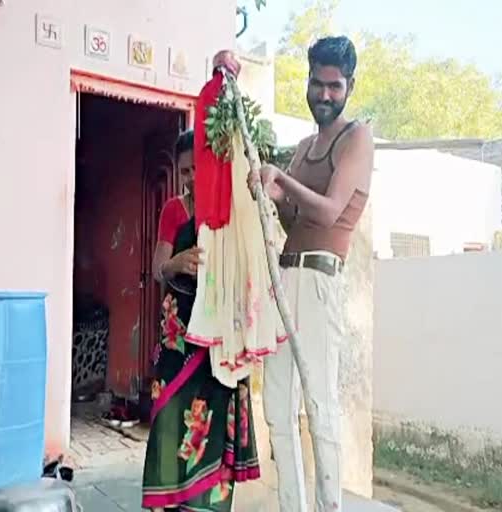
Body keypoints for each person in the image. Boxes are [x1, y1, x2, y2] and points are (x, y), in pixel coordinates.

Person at [247, 36, 375, 512]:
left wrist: (284, 181)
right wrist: (271, 194)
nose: (324, 94)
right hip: (286, 277)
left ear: (350, 86)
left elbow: (328, 213)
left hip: (319, 283)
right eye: (317, 83)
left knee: (320, 408)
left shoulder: (356, 138)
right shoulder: (303, 147)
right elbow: (294, 222)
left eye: (334, 86)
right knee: (277, 409)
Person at [142, 115, 260, 509]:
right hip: (179, 336)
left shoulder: (227, 210)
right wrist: (178, 262)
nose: (191, 177)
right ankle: (170, 499)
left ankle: (206, 503)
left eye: (196, 168)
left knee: (213, 415)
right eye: (184, 171)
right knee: (171, 415)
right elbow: (160, 269)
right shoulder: (174, 211)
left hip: (218, 339)